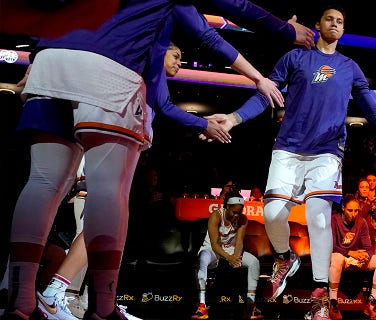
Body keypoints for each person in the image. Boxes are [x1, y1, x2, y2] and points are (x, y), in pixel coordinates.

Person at [3, 2, 315, 318]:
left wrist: (39, 51)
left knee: (42, 181)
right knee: (109, 191)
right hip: (109, 67)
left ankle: (21, 301)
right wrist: (281, 38)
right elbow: (221, 17)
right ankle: (101, 307)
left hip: (51, 57)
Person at [212, 4, 376, 319]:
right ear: (317, 24)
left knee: (318, 216)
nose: (336, 23)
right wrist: (233, 118)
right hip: (287, 147)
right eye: (330, 18)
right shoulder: (295, 58)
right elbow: (265, 95)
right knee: (272, 214)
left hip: (327, 151)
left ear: (343, 29)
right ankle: (285, 259)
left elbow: (375, 114)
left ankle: (320, 297)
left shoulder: (351, 67)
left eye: (341, 21)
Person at [192, 190, 263, 320]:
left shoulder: (243, 219)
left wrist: (235, 257)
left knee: (254, 262)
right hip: (212, 250)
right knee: (202, 259)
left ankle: (250, 304)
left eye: (239, 212)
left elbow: (240, 242)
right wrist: (229, 258)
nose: (237, 215)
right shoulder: (216, 216)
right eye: (234, 212)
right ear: (226, 207)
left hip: (230, 250)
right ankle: (202, 305)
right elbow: (214, 243)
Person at [328, 194, 376, 320]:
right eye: (350, 210)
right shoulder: (333, 220)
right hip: (342, 257)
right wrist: (350, 253)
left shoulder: (362, 222)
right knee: (336, 258)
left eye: (356, 210)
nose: (354, 214)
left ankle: (371, 304)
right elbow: (331, 246)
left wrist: (366, 255)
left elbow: (368, 247)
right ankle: (333, 302)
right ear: (343, 208)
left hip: (355, 258)